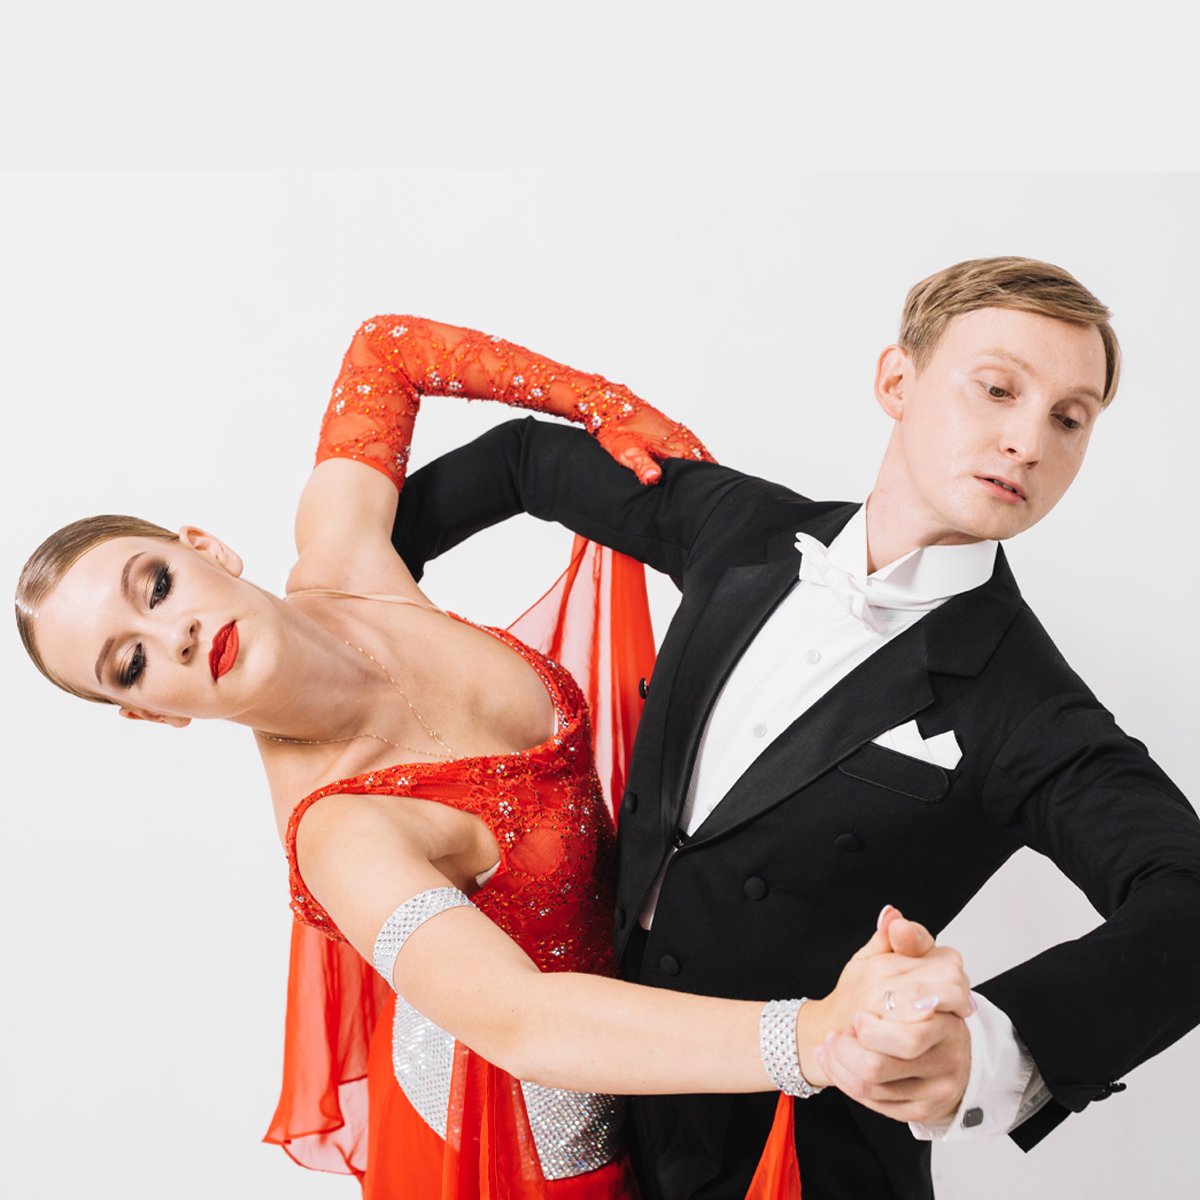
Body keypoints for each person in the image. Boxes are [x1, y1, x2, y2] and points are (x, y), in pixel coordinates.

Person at [14, 317, 971, 1200]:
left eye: (155, 584)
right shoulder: (341, 833)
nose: (174, 634)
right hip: (534, 1132)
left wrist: (602, 406)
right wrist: (818, 1034)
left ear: (204, 548)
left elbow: (385, 348)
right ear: (150, 714)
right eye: (130, 662)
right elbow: (522, 1020)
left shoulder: (347, 553)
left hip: (654, 1004)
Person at [386, 258, 1200, 1200]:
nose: (1027, 441)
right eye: (997, 388)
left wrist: (990, 1052)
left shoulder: (1029, 704)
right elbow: (524, 461)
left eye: (1069, 419)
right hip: (592, 1088)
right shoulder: (742, 528)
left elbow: (1187, 898)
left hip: (798, 1156)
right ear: (897, 380)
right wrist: (356, 591)